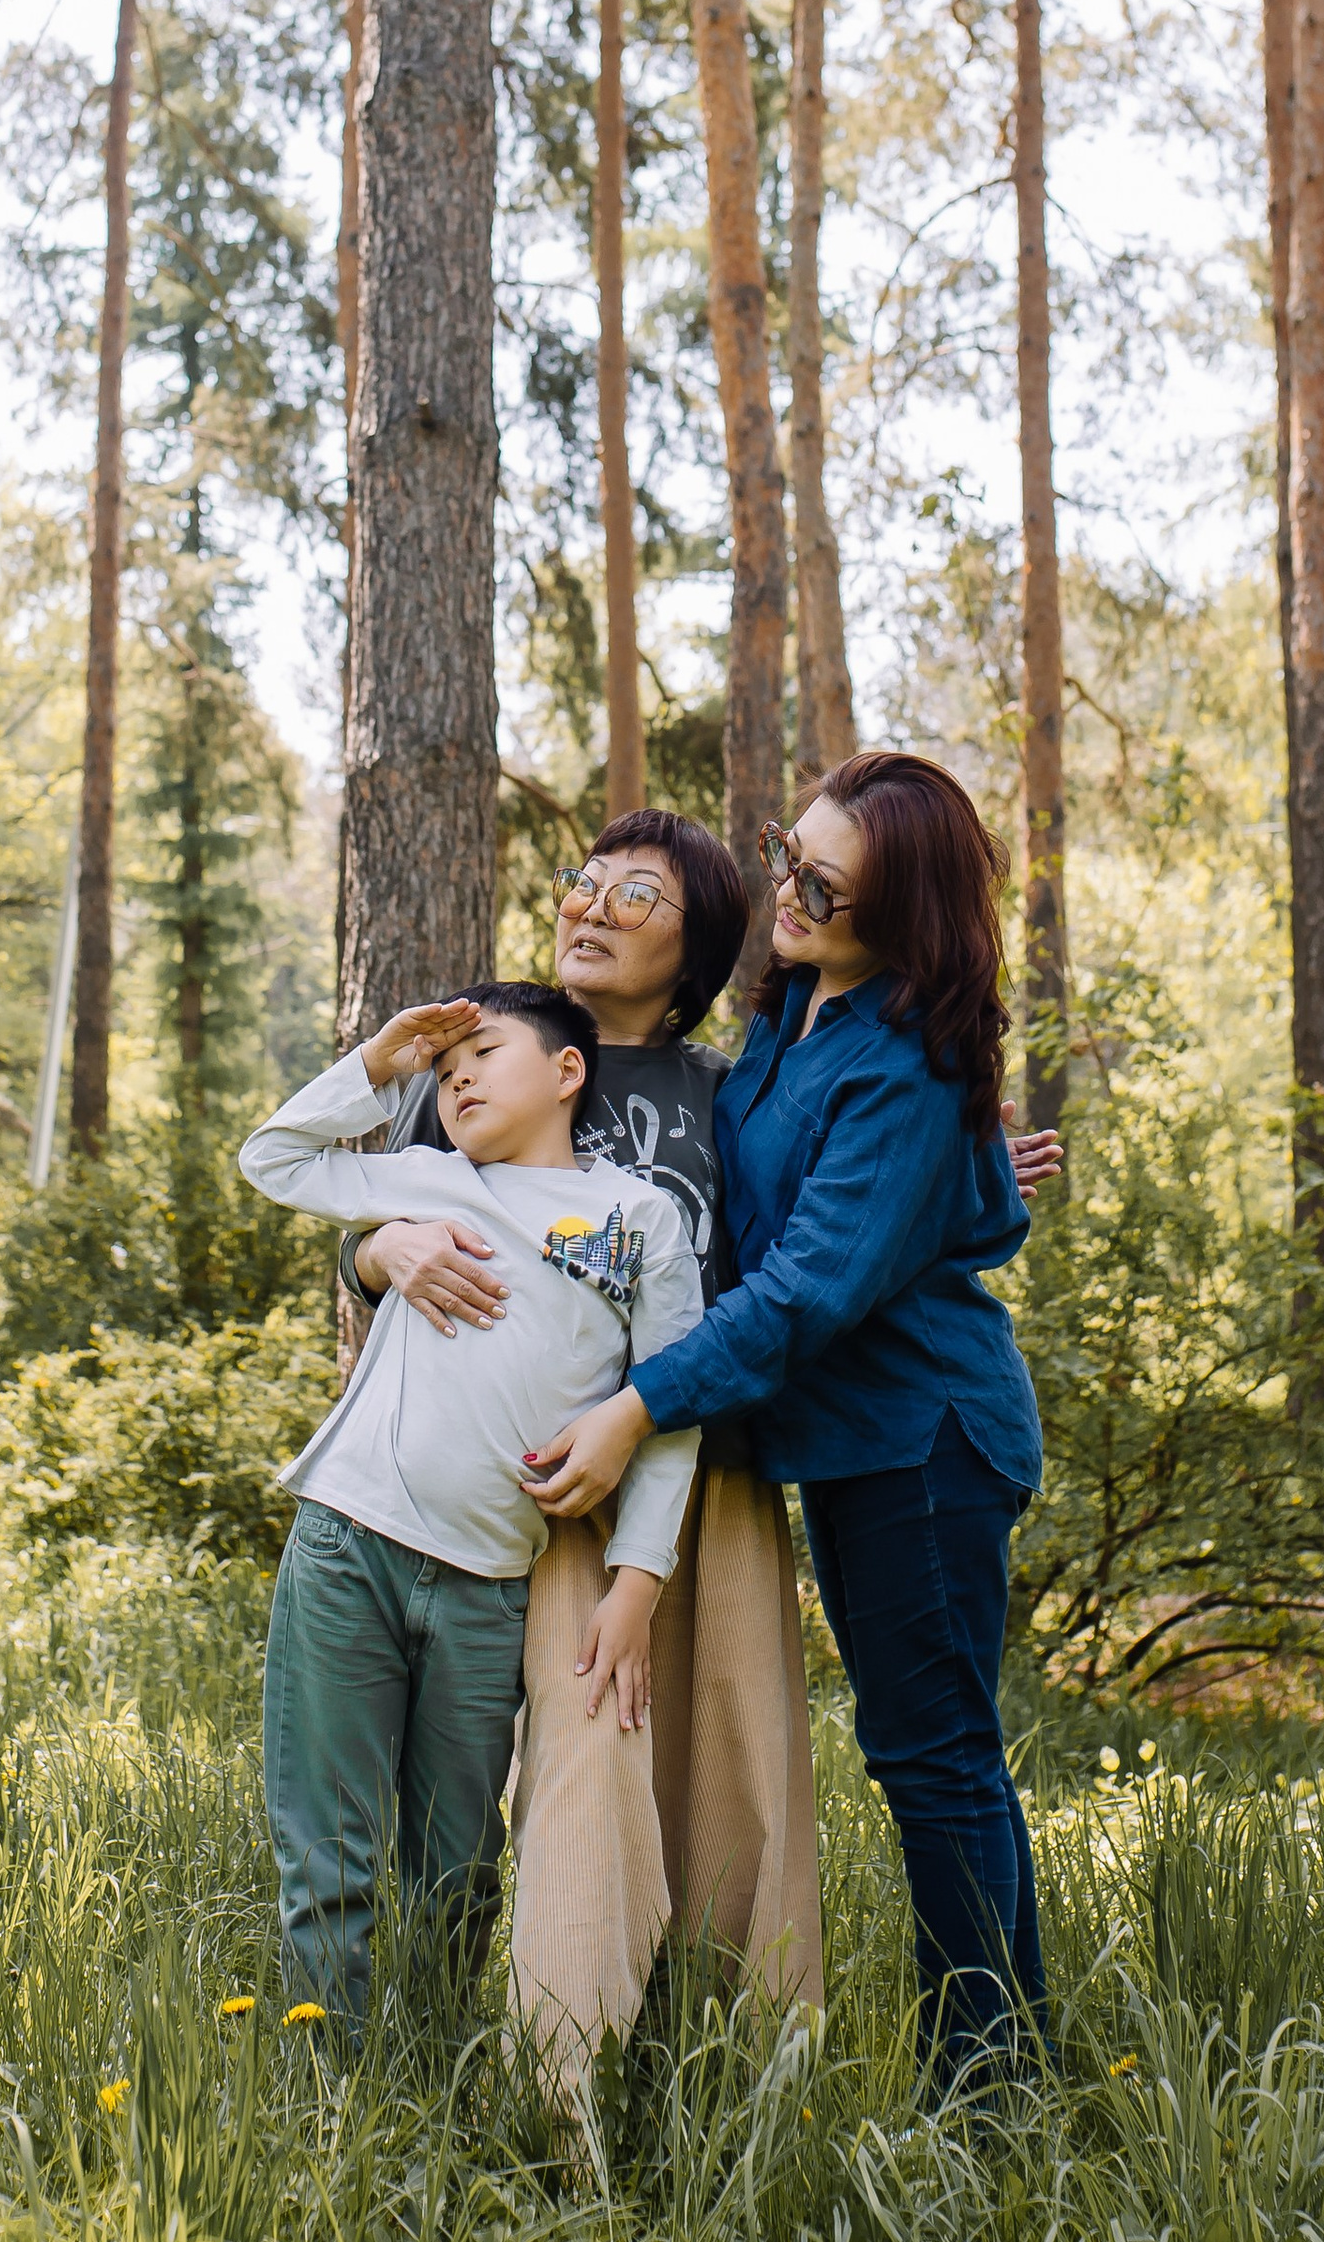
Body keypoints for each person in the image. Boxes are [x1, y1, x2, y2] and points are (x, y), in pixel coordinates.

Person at [522, 753, 1046, 2073]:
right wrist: (976, 1177)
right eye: (788, 857)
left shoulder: (904, 1058)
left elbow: (808, 1290)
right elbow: (750, 1215)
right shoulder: (796, 1006)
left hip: (922, 1444)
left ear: (908, 916)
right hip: (851, 1442)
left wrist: (640, 1405)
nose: (792, 897)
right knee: (923, 1758)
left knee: (935, 1766)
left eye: (830, 887)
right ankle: (992, 2063)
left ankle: (991, 2088)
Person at [240, 979, 703, 2037]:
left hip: (491, 1585)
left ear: (566, 1071)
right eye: (443, 1071)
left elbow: (671, 1414)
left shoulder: (640, 1219)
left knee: (457, 1868)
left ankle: (435, 2079)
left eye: (480, 1056)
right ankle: (327, 2095)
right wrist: (379, 1065)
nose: (455, 1078)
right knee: (329, 1852)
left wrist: (637, 1583)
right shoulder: (428, 1181)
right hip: (345, 1546)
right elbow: (268, 1159)